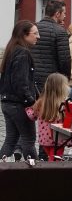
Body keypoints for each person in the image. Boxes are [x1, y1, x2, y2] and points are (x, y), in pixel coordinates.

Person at [0, 21, 41, 159]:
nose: (38, 36)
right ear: (24, 35)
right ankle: (34, 175)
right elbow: (20, 82)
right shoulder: (23, 53)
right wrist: (31, 101)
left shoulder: (12, 49)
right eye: (35, 33)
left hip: (7, 102)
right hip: (19, 104)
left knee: (10, 140)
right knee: (28, 140)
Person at [31, 0, 70, 91]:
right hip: (51, 80)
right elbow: (64, 59)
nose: (65, 16)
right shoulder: (60, 32)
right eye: (64, 13)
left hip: (32, 77)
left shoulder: (33, 28)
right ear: (57, 14)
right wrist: (66, 79)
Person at [29, 73, 70, 160]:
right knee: (55, 161)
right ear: (61, 88)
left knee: (52, 158)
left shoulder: (40, 102)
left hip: (44, 140)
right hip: (59, 141)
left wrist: (27, 107)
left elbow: (31, 115)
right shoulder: (63, 104)